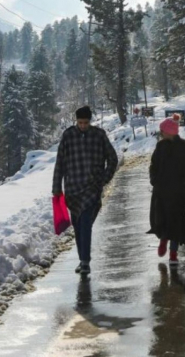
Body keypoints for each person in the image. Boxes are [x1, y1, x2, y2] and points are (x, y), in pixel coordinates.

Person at [53, 106, 118, 275]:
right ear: (76, 121)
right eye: (80, 123)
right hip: (73, 189)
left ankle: (85, 261)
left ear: (90, 121)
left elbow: (112, 158)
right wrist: (56, 188)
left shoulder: (99, 135)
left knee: (86, 223)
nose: (83, 126)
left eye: (86, 122)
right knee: (78, 226)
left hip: (92, 188)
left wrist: (104, 179)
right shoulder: (68, 135)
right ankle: (82, 259)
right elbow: (60, 162)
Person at [148, 116, 185, 265]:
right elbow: (153, 166)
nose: (161, 133)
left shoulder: (184, 146)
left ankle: (173, 252)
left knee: (174, 220)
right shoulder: (161, 146)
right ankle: (164, 241)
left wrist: (184, 183)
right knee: (165, 218)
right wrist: (154, 179)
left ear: (169, 132)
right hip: (163, 190)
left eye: (162, 131)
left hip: (178, 192)